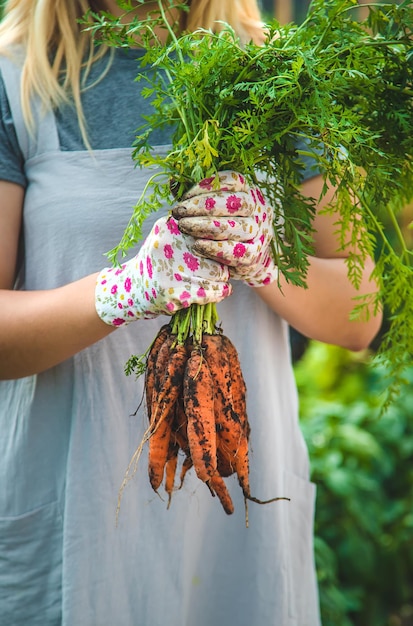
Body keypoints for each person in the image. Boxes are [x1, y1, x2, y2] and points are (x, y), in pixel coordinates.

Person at [0, 1, 382, 625]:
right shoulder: (12, 77)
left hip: (236, 516)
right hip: (73, 502)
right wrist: (122, 290)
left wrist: (263, 259)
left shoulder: (282, 77)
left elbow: (360, 312)